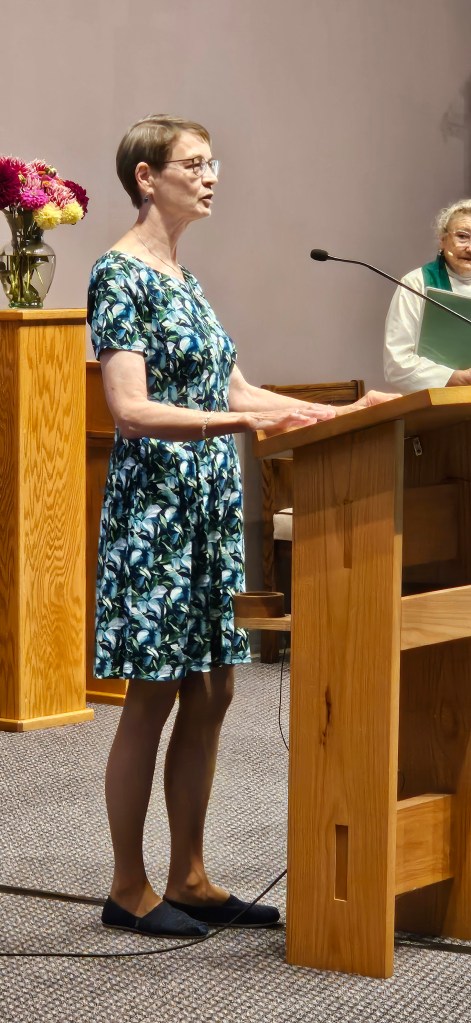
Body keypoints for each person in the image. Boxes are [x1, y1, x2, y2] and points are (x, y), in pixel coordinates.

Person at [88, 113, 397, 939]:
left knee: (216, 686)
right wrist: (241, 428)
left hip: (206, 510)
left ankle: (190, 875)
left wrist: (330, 409)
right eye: (193, 163)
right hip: (157, 511)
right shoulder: (118, 273)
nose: (211, 174)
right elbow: (129, 408)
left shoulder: (184, 278)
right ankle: (128, 885)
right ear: (147, 177)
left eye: (212, 161)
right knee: (152, 694)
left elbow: (234, 391)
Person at [384, 199, 471, 393]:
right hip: (435, 408)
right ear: (443, 239)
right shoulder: (416, 283)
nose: (470, 248)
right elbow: (397, 364)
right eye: (463, 237)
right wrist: (455, 377)